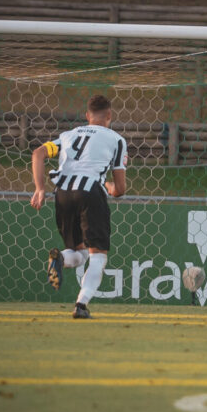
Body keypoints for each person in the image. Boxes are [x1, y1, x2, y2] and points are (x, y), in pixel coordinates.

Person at [30, 95, 127, 319]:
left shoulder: (68, 135)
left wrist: (40, 188)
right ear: (109, 116)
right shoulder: (116, 139)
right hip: (90, 191)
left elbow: (38, 153)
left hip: (62, 193)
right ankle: (81, 306)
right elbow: (119, 189)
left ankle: (61, 259)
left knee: (79, 254)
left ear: (86, 116)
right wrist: (108, 186)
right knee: (98, 257)